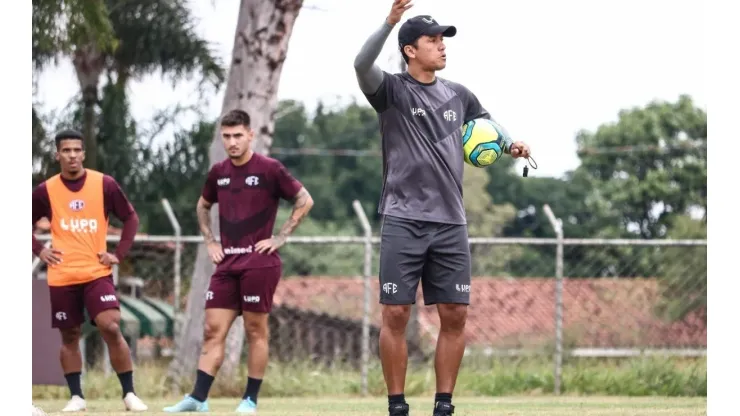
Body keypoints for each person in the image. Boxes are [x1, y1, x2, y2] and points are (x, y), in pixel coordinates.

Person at [353, 2, 532, 415]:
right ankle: (397, 405)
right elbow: (361, 63)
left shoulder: (460, 94)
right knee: (395, 313)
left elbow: (487, 127)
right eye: (432, 41)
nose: (441, 46)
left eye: (442, 40)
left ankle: (444, 405)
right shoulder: (391, 91)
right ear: (410, 50)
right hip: (403, 217)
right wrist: (389, 22)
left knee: (455, 314)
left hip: (451, 222)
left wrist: (510, 146)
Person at [163, 109, 314, 413]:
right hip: (226, 266)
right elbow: (203, 206)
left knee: (255, 331)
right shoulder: (218, 172)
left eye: (237, 136)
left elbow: (304, 199)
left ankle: (250, 400)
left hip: (259, 263)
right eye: (226, 137)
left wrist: (280, 237)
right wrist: (210, 240)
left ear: (250, 135)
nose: (232, 142)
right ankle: (198, 399)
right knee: (212, 330)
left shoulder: (270, 169)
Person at [32, 130, 148, 412]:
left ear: (83, 153)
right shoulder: (45, 190)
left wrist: (118, 254)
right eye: (66, 150)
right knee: (69, 336)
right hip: (62, 275)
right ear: (57, 155)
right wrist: (39, 250)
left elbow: (131, 218)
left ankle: (129, 394)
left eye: (77, 150)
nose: (72, 155)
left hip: (97, 272)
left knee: (110, 325)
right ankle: (76, 397)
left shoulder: (104, 184)